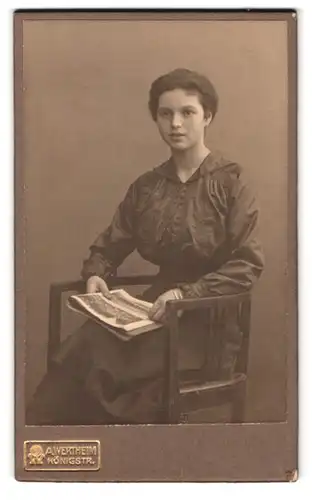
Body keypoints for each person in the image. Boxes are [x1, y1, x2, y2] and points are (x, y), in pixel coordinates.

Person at [26, 68, 264, 425]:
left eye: (188, 112)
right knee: (83, 349)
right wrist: (96, 274)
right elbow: (110, 245)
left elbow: (247, 264)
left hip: (208, 322)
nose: (176, 124)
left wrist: (185, 295)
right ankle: (49, 453)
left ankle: (131, 460)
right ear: (156, 118)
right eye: (165, 113)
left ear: (208, 116)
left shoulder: (231, 181)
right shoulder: (147, 187)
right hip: (152, 309)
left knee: (107, 366)